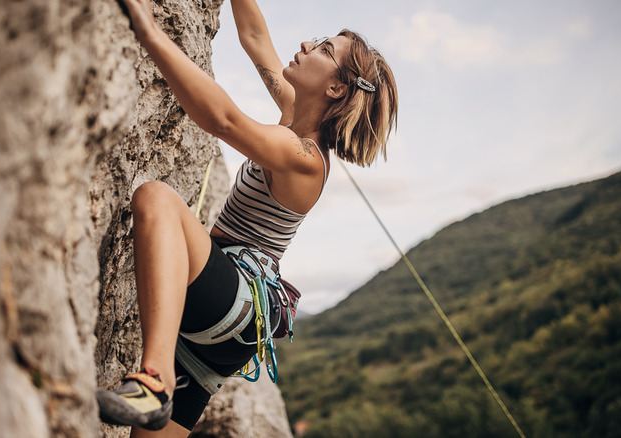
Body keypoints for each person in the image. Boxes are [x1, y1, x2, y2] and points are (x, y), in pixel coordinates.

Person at [97, 0, 398, 436]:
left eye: (324, 49)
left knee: (157, 198)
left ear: (335, 88)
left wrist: (148, 31)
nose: (306, 43)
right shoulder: (295, 114)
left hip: (232, 296)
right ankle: (158, 390)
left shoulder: (305, 159)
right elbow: (256, 40)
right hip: (223, 320)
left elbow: (223, 120)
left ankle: (155, 381)